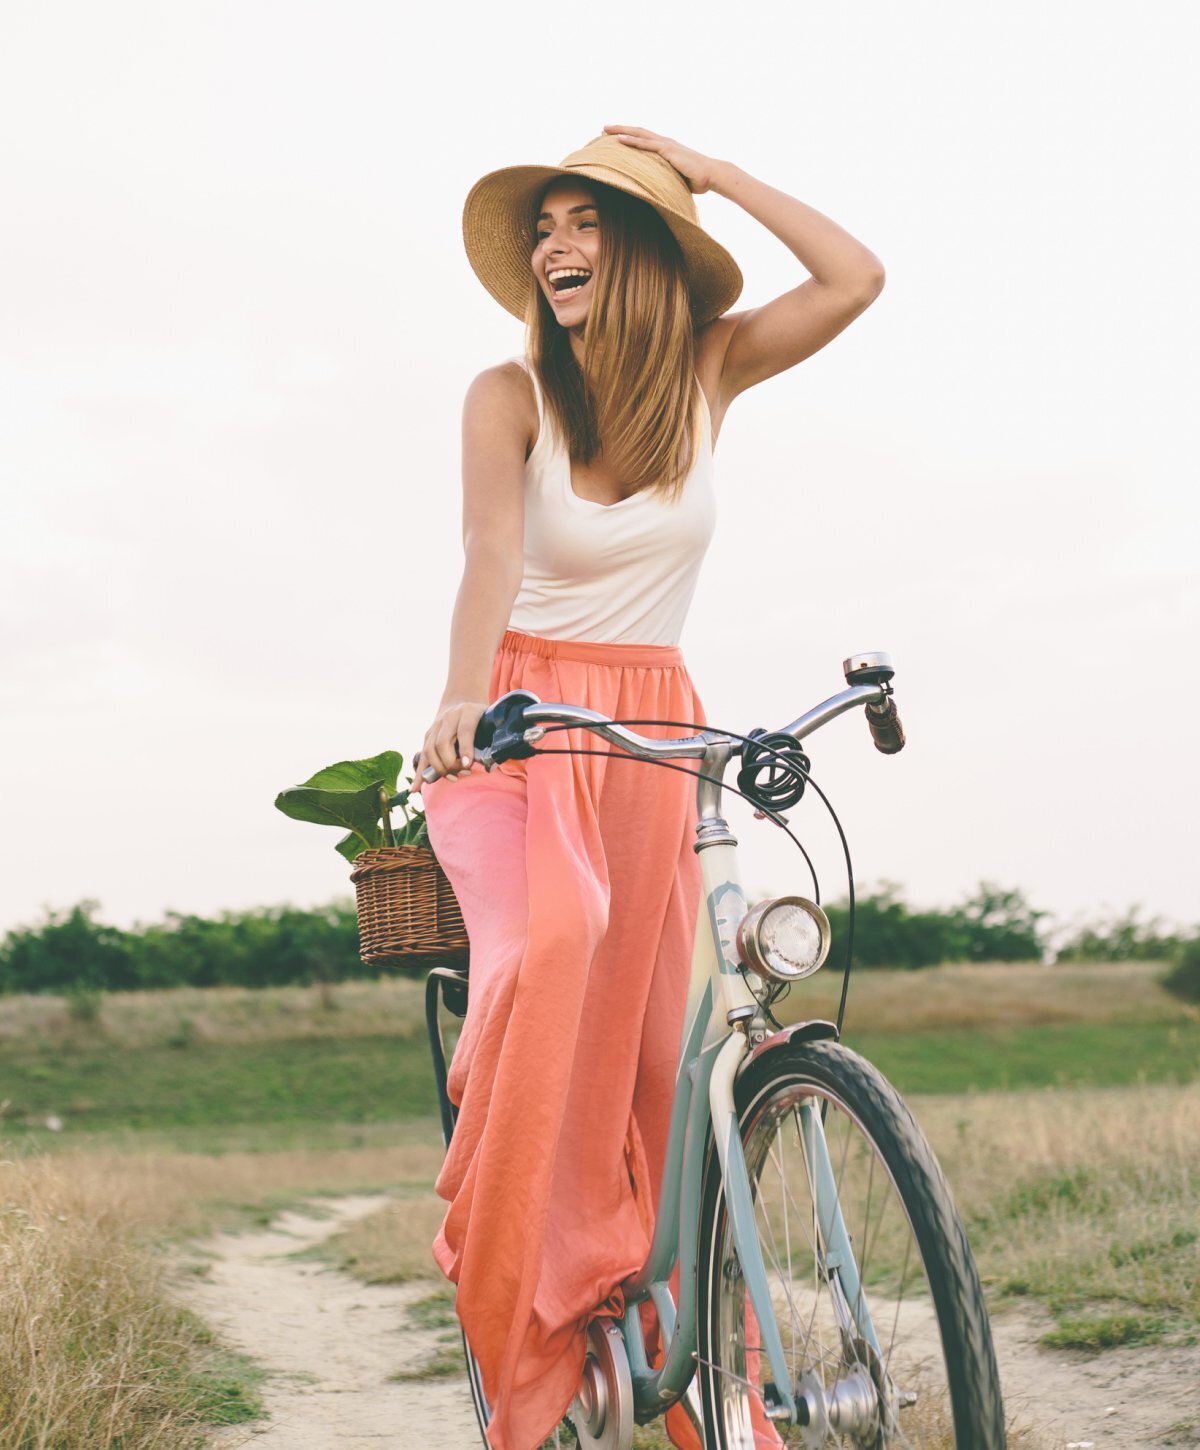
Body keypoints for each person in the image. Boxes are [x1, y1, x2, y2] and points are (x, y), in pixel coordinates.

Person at [413, 125, 884, 1450]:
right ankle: (524, 1305)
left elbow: (854, 278)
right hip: (522, 725)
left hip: (660, 726)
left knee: (673, 1045)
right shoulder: (507, 395)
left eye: (589, 223)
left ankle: (681, 1337)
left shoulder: (707, 371)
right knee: (555, 940)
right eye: (546, 227)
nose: (556, 247)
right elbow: (488, 552)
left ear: (648, 256)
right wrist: (462, 700)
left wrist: (715, 175)